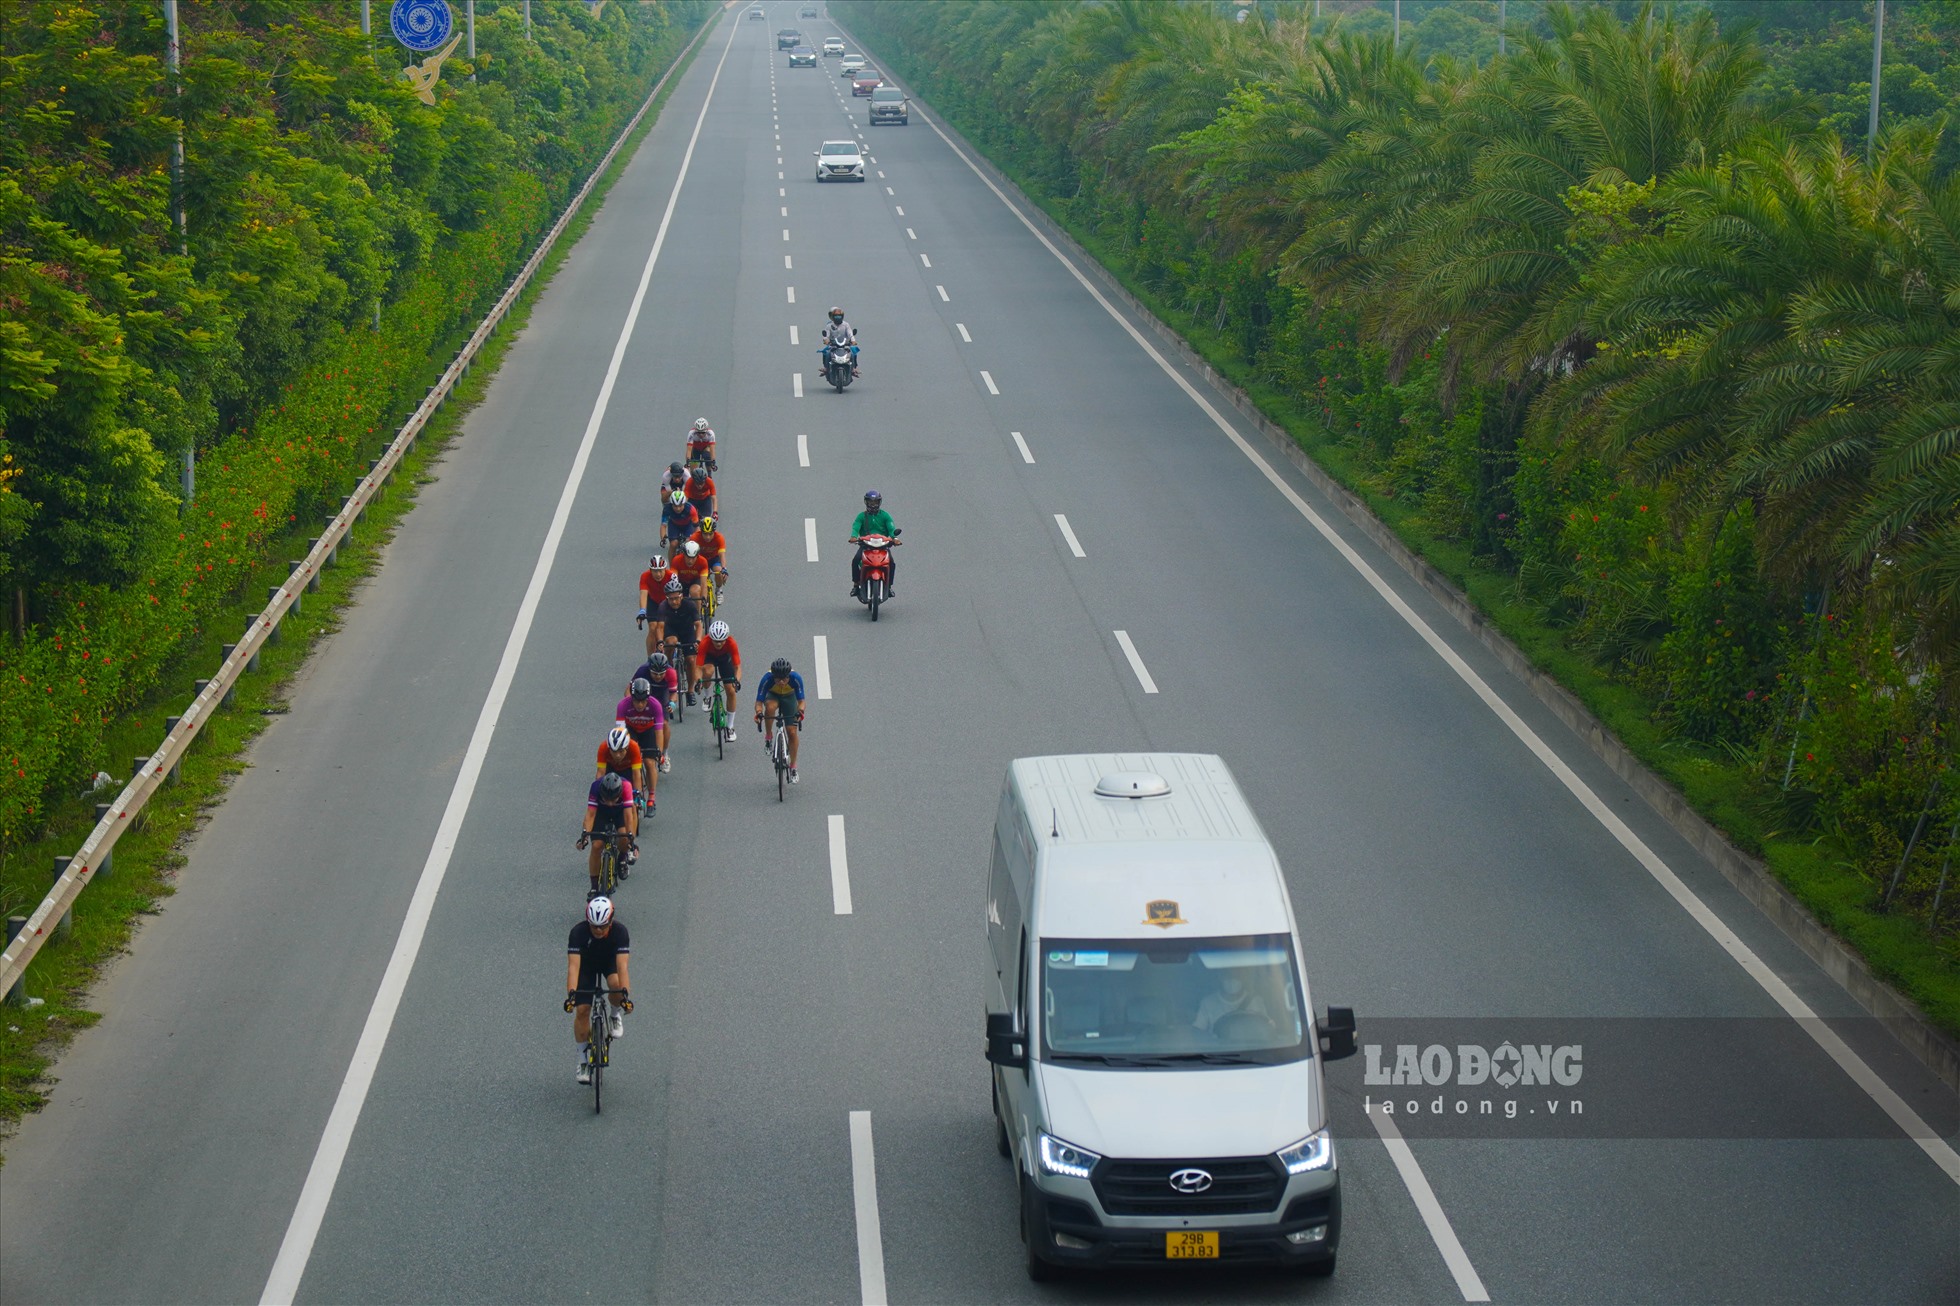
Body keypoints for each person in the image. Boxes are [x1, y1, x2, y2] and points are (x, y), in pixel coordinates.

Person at [565, 895, 631, 1084]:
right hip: (586, 966)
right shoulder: (578, 933)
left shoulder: (620, 932)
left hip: (609, 963)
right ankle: (583, 1060)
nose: (598, 930)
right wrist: (571, 995)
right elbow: (573, 968)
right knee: (583, 1010)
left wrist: (625, 997)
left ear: (611, 921)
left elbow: (622, 967)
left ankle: (614, 1014)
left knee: (616, 985)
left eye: (603, 926)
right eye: (594, 926)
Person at [577, 769, 638, 890]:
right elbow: (590, 814)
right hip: (601, 813)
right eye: (606, 799)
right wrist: (584, 837)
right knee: (596, 846)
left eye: (613, 800)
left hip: (620, 812)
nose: (610, 803)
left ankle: (622, 858)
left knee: (624, 837)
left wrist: (631, 839)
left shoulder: (626, 787)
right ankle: (594, 887)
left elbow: (628, 816)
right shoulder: (595, 787)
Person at [648, 579, 702, 705]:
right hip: (671, 630)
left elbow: (698, 625)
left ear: (681, 596)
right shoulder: (663, 606)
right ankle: (670, 668)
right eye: (670, 598)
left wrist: (698, 641)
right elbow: (660, 627)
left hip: (687, 630)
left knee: (690, 660)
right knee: (670, 642)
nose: (674, 601)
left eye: (676, 598)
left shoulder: (689, 605)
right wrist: (660, 642)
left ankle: (690, 691)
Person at [753, 656, 806, 783]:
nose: (781, 682)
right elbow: (759, 702)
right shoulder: (767, 679)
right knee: (770, 708)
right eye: (778, 679)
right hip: (773, 695)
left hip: (789, 697)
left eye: (784, 679)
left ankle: (793, 767)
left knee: (792, 732)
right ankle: (769, 736)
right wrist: (759, 713)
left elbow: (801, 701)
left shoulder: (796, 678)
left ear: (789, 676)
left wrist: (800, 712)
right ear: (773, 676)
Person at [614, 678, 664, 811]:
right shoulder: (623, 705)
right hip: (631, 731)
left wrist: (658, 751)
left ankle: (651, 798)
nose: (640, 705)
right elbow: (620, 731)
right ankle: (634, 791)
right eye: (636, 701)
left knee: (649, 762)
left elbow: (659, 732)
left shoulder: (655, 705)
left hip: (648, 731)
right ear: (632, 697)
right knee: (628, 760)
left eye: (643, 701)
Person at [629, 650, 681, 767]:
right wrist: (628, 701)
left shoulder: (671, 673)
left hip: (662, 697)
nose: (658, 676)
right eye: (655, 674)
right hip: (644, 696)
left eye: (661, 674)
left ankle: (664, 753)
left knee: (664, 724)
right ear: (649, 670)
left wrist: (672, 703)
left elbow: (673, 693)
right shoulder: (642, 670)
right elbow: (629, 689)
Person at [848, 489, 897, 597]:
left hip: (883, 546)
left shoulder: (885, 516)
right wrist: (853, 537)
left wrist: (895, 538)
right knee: (856, 560)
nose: (873, 505)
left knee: (892, 563)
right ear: (866, 502)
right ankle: (856, 585)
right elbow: (855, 527)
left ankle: (889, 587)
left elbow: (891, 528)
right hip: (866, 545)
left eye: (875, 502)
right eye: (870, 502)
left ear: (879, 502)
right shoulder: (861, 516)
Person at [697, 619, 742, 735]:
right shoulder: (705, 643)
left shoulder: (731, 643)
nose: (718, 644)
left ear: (726, 638)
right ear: (711, 638)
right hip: (709, 657)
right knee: (707, 672)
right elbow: (698, 667)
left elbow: (737, 667)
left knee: (731, 690)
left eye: (721, 641)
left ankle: (730, 726)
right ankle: (707, 697)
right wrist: (698, 681)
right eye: (715, 641)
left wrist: (736, 680)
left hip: (724, 659)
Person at [1192, 970, 1270, 1034]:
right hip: (1217, 1051)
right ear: (1220, 977)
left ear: (1243, 978)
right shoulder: (1208, 1003)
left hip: (1251, 1049)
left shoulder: (1256, 1001)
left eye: (1236, 975)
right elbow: (1198, 1031)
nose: (1232, 978)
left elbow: (1266, 1029)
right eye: (1228, 975)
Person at [597, 723, 647, 811]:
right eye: (613, 751)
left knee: (633, 803)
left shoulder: (634, 747)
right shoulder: (603, 747)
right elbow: (600, 772)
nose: (617, 755)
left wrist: (637, 794)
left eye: (621, 751)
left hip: (628, 769)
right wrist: (598, 792)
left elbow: (636, 774)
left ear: (627, 747)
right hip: (611, 768)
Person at [637, 552, 679, 656]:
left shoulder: (672, 576)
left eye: (660, 571)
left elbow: (676, 594)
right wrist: (642, 611)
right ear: (650, 570)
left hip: (668, 602)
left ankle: (674, 646)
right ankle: (650, 658)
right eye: (655, 571)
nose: (658, 574)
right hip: (654, 602)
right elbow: (643, 594)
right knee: (653, 628)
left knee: (669, 624)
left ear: (665, 569)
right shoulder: (645, 576)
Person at [688, 515, 729, 606]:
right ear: (701, 532)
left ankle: (718, 589)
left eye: (710, 534)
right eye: (705, 534)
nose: (707, 537)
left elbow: (722, 555)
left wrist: (724, 569)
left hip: (713, 559)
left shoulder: (719, 538)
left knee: (718, 571)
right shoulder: (695, 537)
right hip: (700, 559)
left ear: (714, 532)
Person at [819, 306, 859, 377]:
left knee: (853, 354)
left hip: (845, 344)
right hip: (833, 345)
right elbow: (826, 335)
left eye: (839, 316)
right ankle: (826, 368)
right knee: (826, 353)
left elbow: (850, 334)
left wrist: (853, 341)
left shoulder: (846, 325)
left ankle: (853, 368)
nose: (838, 318)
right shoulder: (829, 326)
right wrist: (826, 340)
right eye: (836, 316)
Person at [661, 490, 700, 557]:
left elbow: (696, 527)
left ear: (684, 503)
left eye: (680, 506)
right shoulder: (667, 509)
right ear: (671, 504)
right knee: (673, 544)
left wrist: (697, 540)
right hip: (674, 525)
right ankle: (672, 567)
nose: (678, 509)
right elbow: (663, 525)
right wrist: (663, 538)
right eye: (675, 506)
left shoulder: (691, 509)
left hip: (688, 525)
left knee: (688, 543)